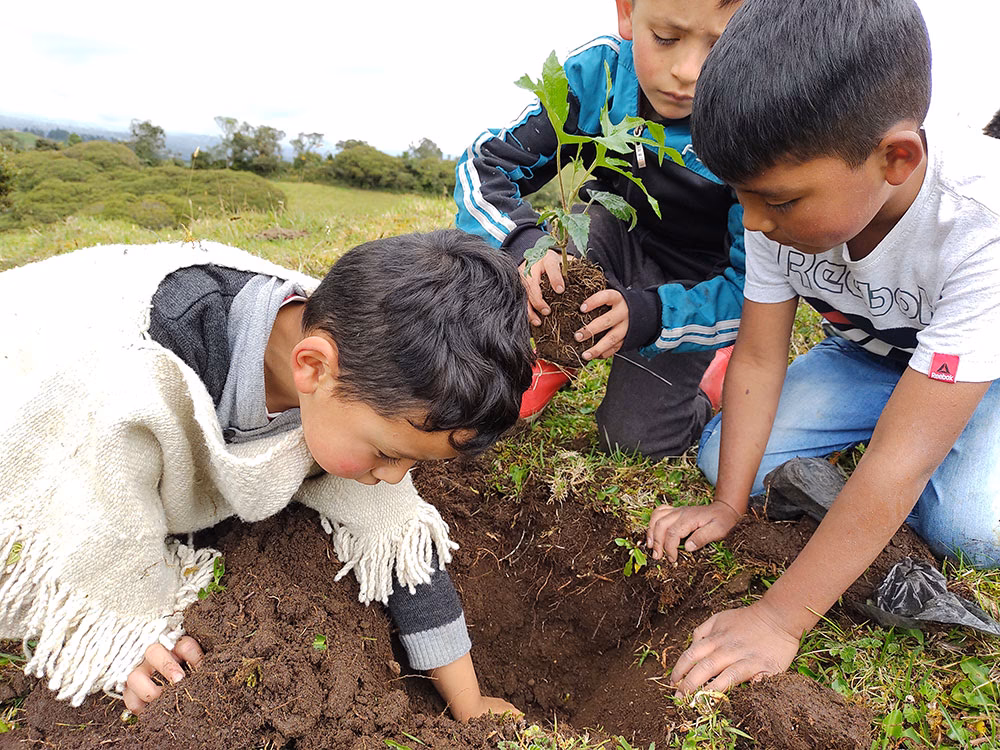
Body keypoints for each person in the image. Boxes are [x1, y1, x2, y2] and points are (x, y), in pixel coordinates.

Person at [0, 231, 534, 722]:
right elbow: (84, 510)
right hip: (35, 356)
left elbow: (400, 544)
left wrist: (469, 702)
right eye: (387, 454)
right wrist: (129, 634)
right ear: (313, 368)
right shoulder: (138, 380)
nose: (395, 478)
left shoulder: (363, 371)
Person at [646, 0, 1000, 693]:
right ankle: (865, 491)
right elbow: (757, 357)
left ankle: (895, 487)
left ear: (896, 158)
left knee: (971, 528)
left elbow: (900, 456)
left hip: (981, 372)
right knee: (725, 458)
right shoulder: (775, 201)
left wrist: (780, 618)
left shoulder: (979, 224)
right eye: (742, 197)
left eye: (777, 202)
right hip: (872, 355)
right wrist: (727, 505)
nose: (753, 222)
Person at [455, 0, 746, 459]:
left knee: (632, 441)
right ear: (628, 12)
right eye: (667, 38)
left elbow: (754, 286)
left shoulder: (760, 121)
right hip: (611, 232)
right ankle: (550, 356)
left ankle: (710, 385)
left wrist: (651, 315)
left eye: (723, 47)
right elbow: (484, 164)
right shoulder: (600, 74)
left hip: (694, 286)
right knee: (558, 254)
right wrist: (522, 246)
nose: (689, 72)